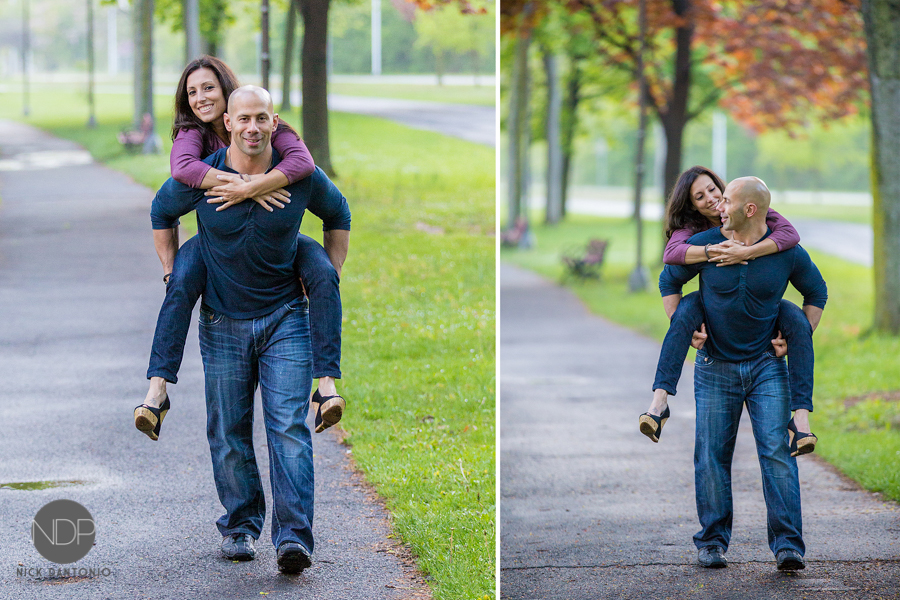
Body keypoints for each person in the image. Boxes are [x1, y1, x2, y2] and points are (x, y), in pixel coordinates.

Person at [149, 85, 350, 572]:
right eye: (244, 120)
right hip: (222, 321)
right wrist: (175, 269)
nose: (253, 128)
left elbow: (338, 212)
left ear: (274, 121)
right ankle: (240, 526)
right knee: (229, 432)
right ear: (230, 123)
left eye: (262, 118)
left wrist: (331, 271)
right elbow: (161, 211)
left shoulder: (297, 175)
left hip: (285, 317)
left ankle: (294, 538)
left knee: (288, 430)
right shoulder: (204, 175)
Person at [134, 56, 345, 443]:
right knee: (180, 281)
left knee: (322, 271)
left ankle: (327, 385)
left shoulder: (261, 120)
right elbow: (181, 171)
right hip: (217, 240)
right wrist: (229, 180)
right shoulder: (192, 135)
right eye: (192, 91)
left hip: (278, 236)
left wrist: (254, 186)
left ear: (228, 89)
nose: (200, 98)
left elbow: (303, 162)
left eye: (209, 88)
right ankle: (157, 390)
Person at [658, 176, 827, 571]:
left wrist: (799, 334)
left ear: (749, 209)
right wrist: (685, 327)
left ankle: (788, 545)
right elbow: (670, 276)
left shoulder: (785, 248)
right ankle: (712, 542)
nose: (718, 206)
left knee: (777, 454)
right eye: (711, 199)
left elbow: (816, 291)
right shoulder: (706, 242)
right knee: (712, 456)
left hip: (768, 366)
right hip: (715, 365)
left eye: (725, 199)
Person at [639, 166, 818, 456]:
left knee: (794, 317)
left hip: (763, 328)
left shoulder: (754, 210)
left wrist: (746, 252)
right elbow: (670, 259)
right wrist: (714, 251)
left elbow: (790, 235)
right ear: (692, 205)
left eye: (713, 190)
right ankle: (658, 404)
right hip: (711, 313)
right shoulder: (692, 232)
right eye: (700, 196)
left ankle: (801, 422)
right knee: (686, 310)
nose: (711, 200)